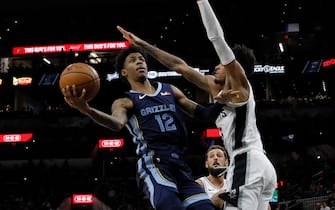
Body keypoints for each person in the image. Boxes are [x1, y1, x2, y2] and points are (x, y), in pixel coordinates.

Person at [116, 0, 277, 209]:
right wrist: (143, 44)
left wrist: (202, 2)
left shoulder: (239, 85)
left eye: (221, 63)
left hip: (246, 161)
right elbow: (179, 66)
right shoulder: (215, 88)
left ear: (234, 67)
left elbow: (216, 38)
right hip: (261, 165)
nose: (216, 66)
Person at [61, 45, 238, 210]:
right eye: (133, 60)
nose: (139, 62)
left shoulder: (170, 90)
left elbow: (203, 115)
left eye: (142, 59)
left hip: (181, 166)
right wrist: (87, 110)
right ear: (124, 72)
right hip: (154, 164)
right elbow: (116, 124)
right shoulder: (125, 101)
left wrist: (220, 102)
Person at [195, 144, 229, 210]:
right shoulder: (200, 184)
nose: (215, 158)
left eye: (219, 155)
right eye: (211, 156)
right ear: (206, 164)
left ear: (226, 162)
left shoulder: (231, 183)